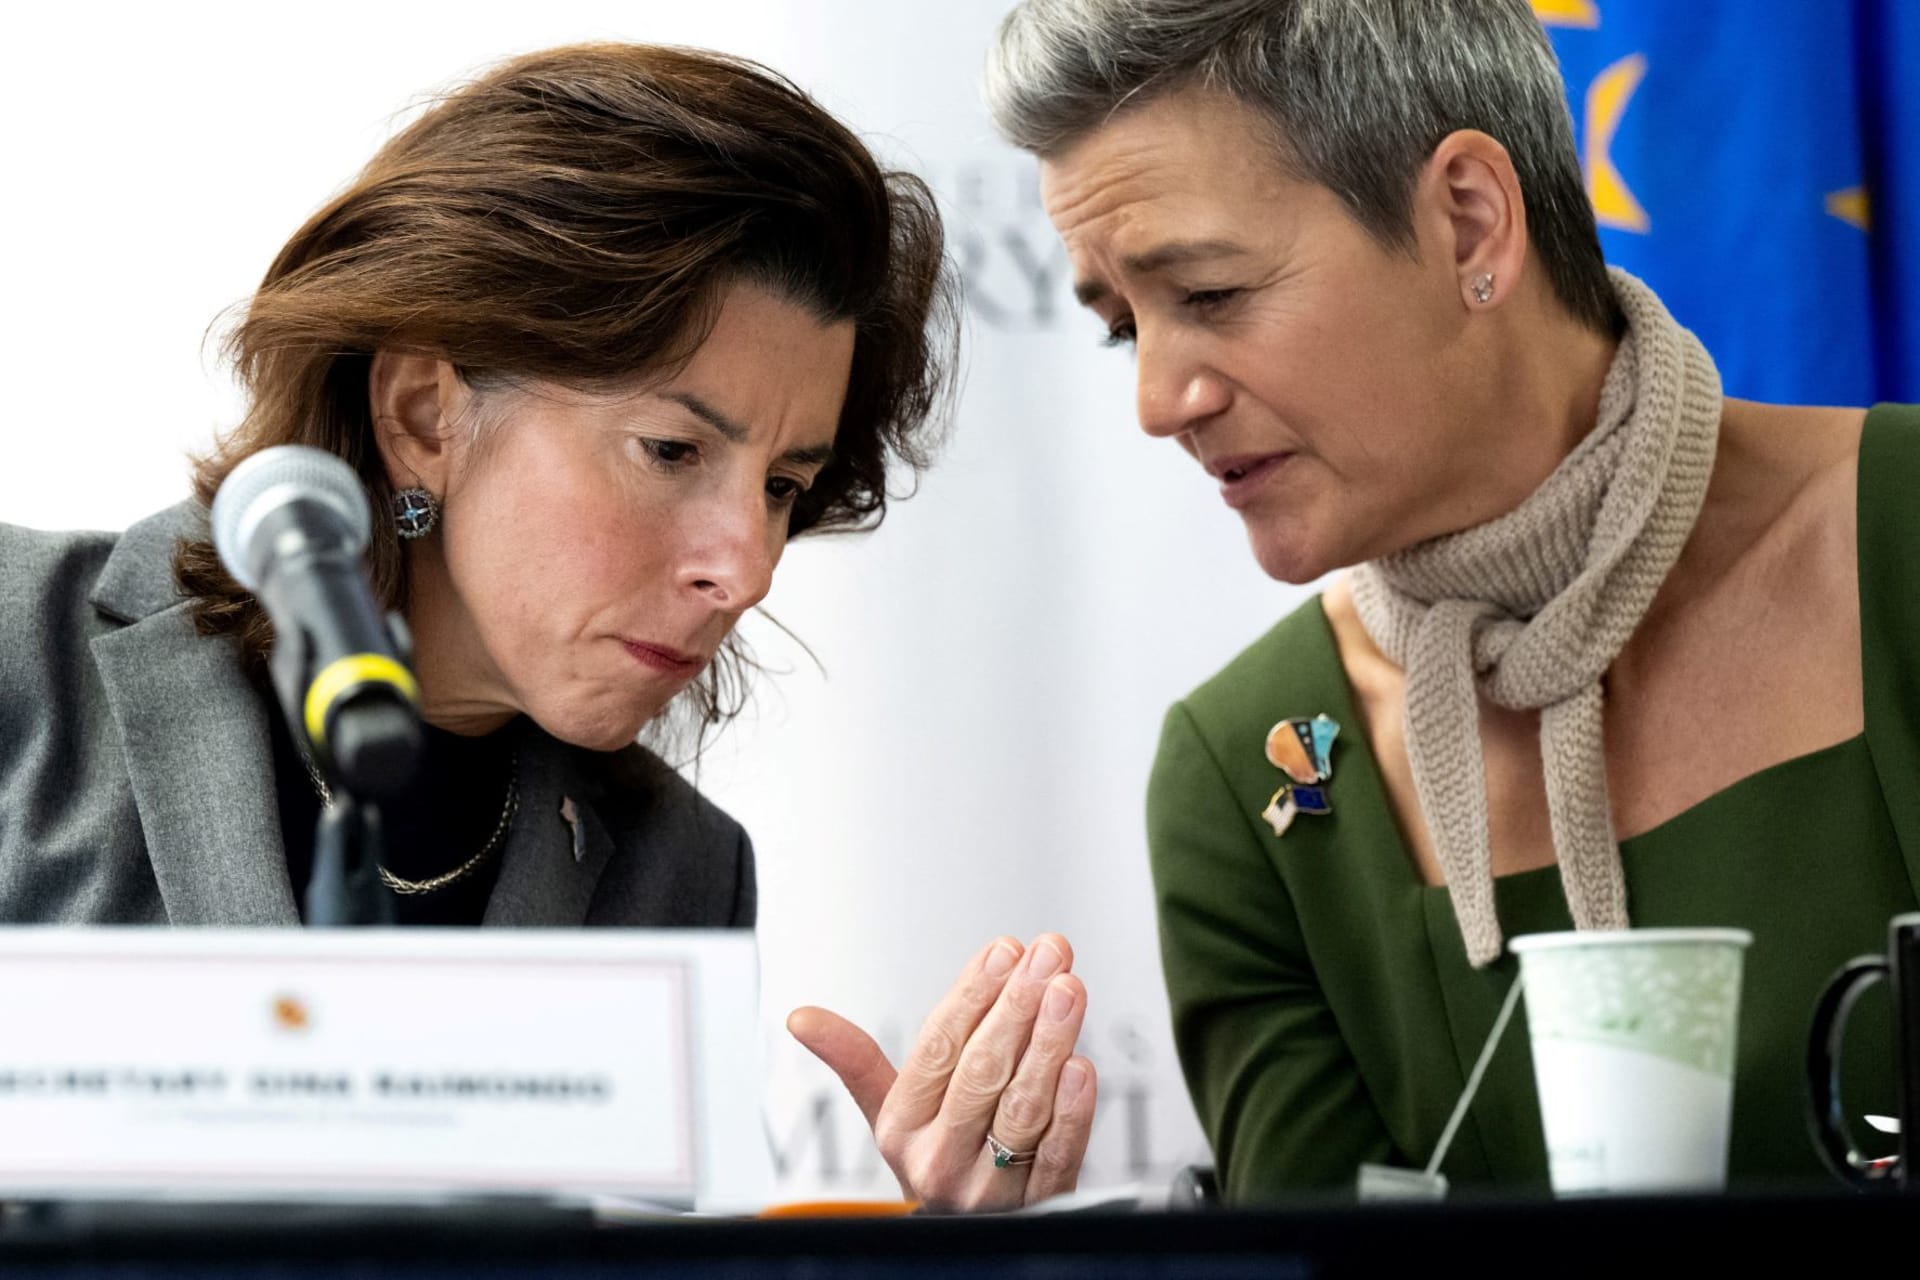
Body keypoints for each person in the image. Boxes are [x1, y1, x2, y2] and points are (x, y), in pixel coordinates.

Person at [0, 42, 1091, 1212]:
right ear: (423, 414)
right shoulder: (23, 656)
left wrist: (963, 1254)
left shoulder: (685, 873)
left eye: (782, 484)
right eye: (672, 451)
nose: (747, 566)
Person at [987, 0, 1918, 1198]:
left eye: (1210, 294)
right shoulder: (1247, 768)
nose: (1160, 399)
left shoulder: (1897, 535)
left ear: (1470, 220)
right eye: (1125, 329)